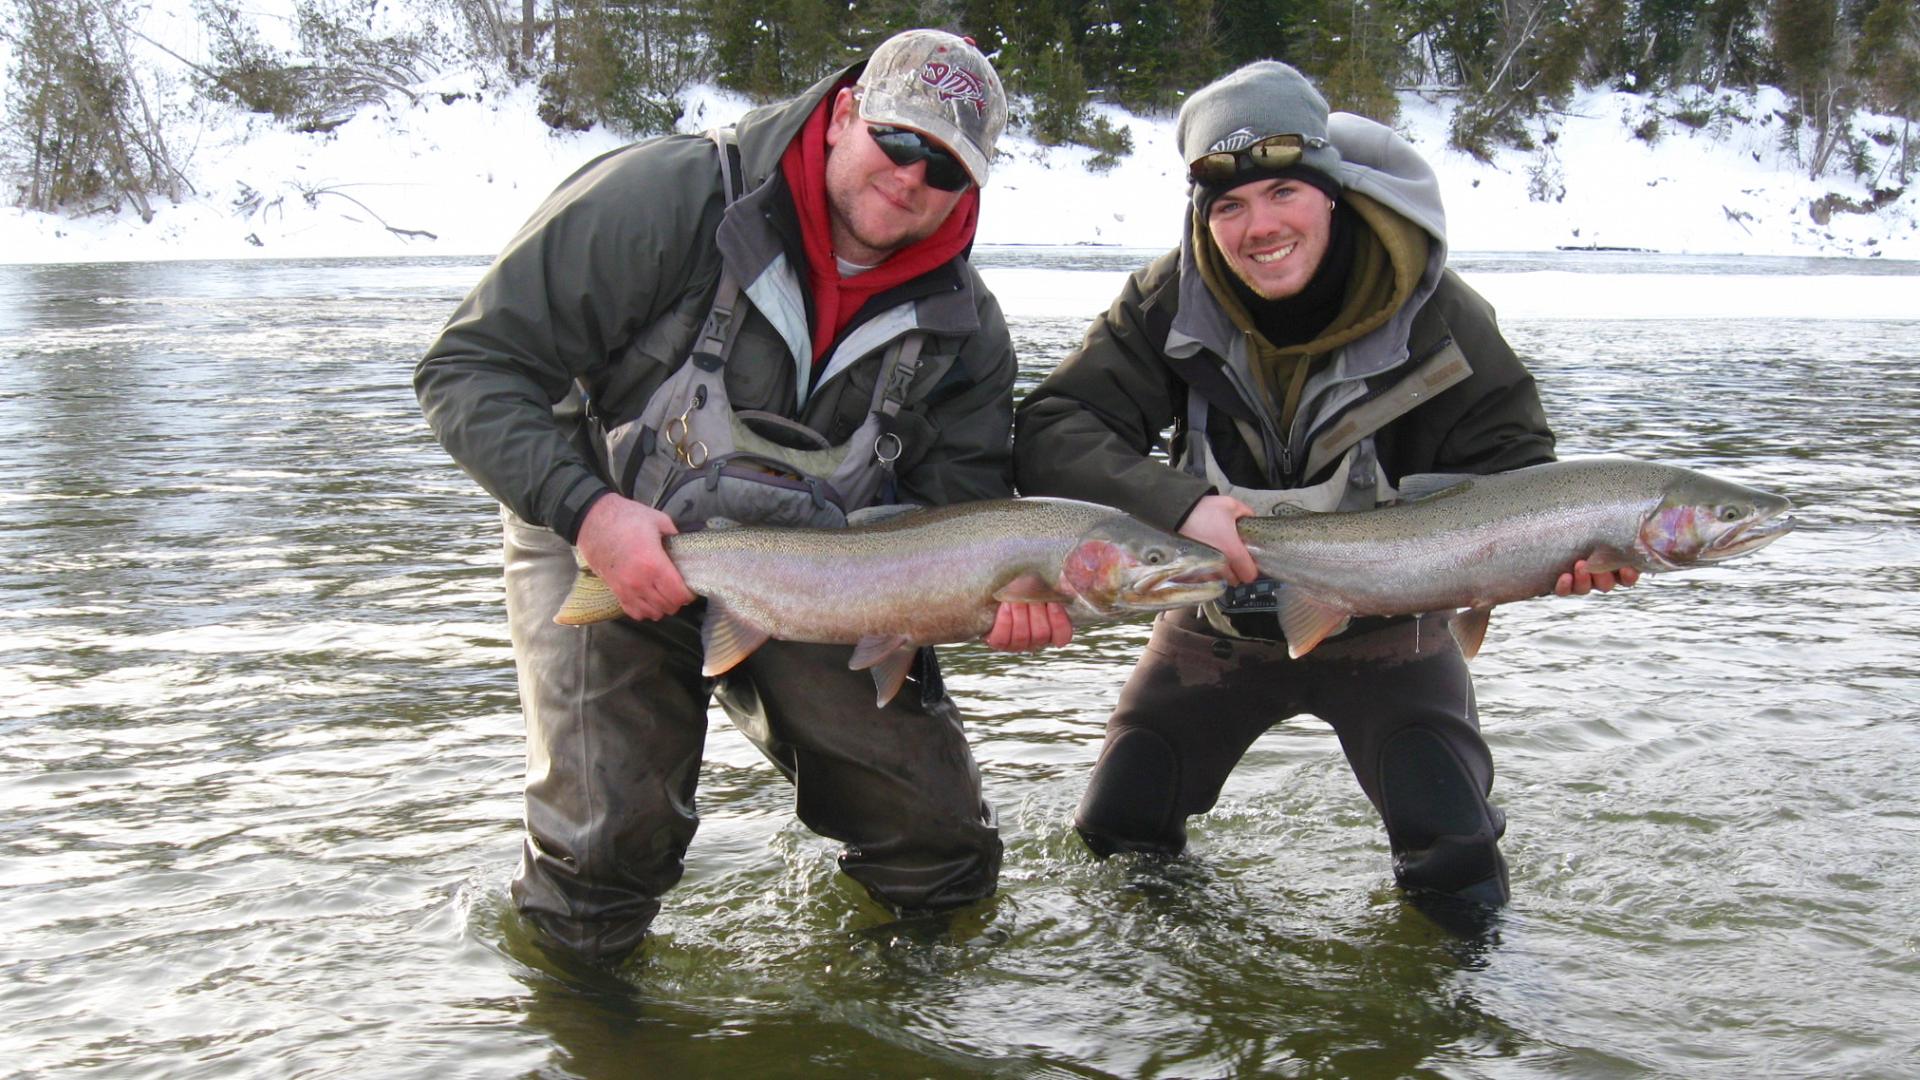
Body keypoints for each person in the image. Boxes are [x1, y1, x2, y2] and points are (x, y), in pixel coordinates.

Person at [417, 28, 1066, 965]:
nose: (913, 178)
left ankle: (900, 1029)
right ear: (845, 113)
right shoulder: (667, 199)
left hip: (829, 577)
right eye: (899, 140)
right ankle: (594, 1033)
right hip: (603, 525)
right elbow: (469, 369)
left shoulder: (965, 327)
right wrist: (589, 513)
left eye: (948, 169)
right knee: (607, 848)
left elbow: (956, 511)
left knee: (942, 845)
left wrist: (989, 601)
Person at [1013, 60, 1636, 915]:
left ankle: (1469, 1027)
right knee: (1118, 834)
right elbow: (1053, 430)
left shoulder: (1440, 315)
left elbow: (1519, 471)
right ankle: (1171, 1003)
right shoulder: (1168, 301)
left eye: (1281, 194)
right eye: (1228, 206)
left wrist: (1564, 556)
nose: (1257, 227)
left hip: (1391, 631)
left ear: (1330, 192)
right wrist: (1179, 506)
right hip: (1215, 622)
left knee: (1457, 868)